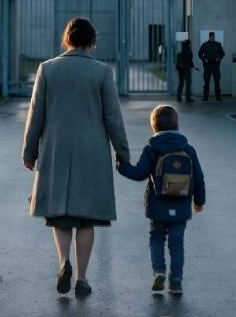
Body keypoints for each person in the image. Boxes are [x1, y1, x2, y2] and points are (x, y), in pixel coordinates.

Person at [22, 17, 130, 297]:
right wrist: (122, 153)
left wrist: (29, 151)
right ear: (92, 40)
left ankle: (63, 262)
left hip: (56, 150)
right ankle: (81, 277)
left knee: (59, 216)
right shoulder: (102, 72)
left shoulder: (47, 69)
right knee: (85, 219)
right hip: (91, 151)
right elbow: (113, 118)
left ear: (67, 39)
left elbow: (35, 115)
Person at [117, 105, 206, 297]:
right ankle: (176, 282)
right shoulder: (188, 149)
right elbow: (198, 178)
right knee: (177, 242)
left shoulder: (152, 149)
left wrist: (121, 166)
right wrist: (199, 201)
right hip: (181, 206)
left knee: (157, 238)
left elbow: (139, 173)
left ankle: (158, 272)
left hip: (158, 205)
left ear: (153, 127)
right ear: (177, 125)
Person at [197, 32, 225, 101]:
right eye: (211, 37)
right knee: (206, 81)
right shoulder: (205, 45)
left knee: (217, 81)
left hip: (215, 65)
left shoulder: (218, 44)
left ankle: (218, 96)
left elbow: (222, 53)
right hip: (207, 66)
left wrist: (219, 57)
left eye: (213, 37)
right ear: (209, 37)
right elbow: (199, 54)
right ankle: (205, 96)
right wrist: (204, 59)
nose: (213, 38)